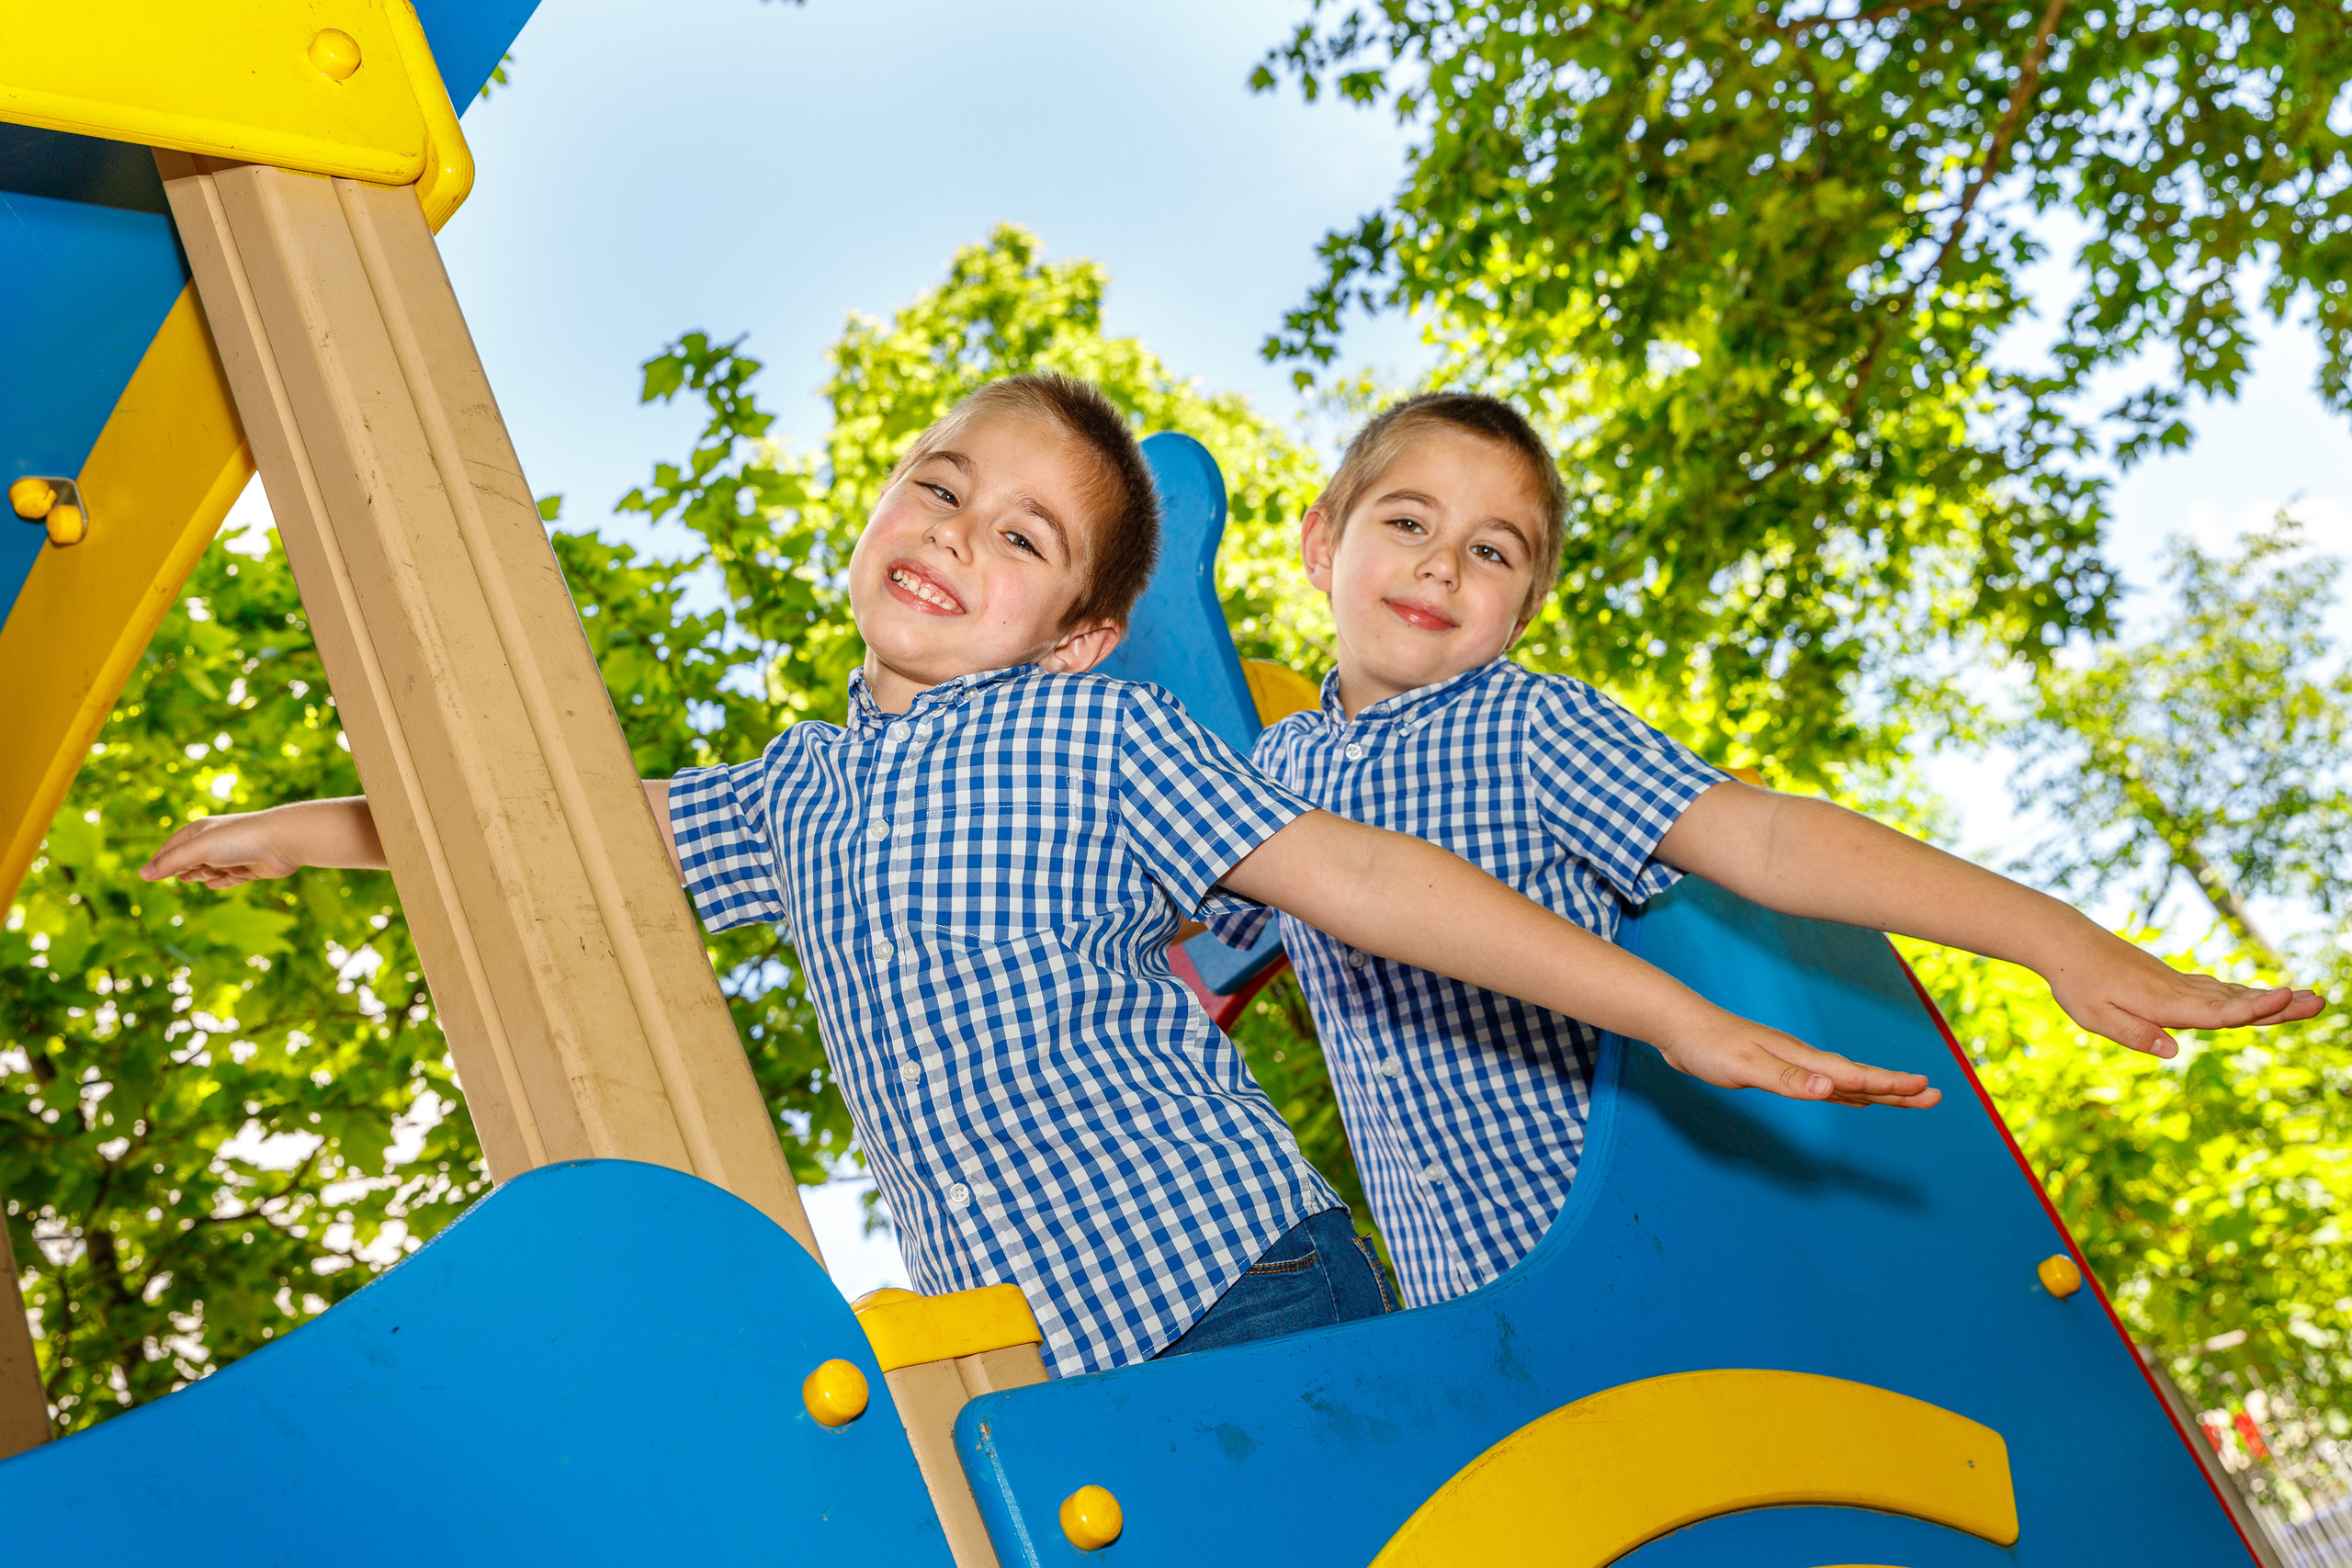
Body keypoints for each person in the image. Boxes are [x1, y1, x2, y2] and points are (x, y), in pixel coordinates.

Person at [150, 375, 1950, 1377]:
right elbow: (561, 827)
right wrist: (309, 825)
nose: (952, 531)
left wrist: (1671, 1011)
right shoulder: (792, 794)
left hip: (1234, 1281)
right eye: (937, 486)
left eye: (1020, 536)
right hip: (1034, 1345)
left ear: (1083, 631)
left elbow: (1356, 876)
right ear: (872, 513)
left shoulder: (1090, 741)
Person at [1202, 389, 2325, 1310]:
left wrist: (2057, 939)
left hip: (1625, 1251)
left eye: (1491, 550)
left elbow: (1770, 837)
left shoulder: (1528, 724)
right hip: (1457, 1293)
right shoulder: (1270, 770)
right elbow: (1178, 937)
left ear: (1525, 608)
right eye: (1407, 521)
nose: (1442, 565)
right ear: (1318, 542)